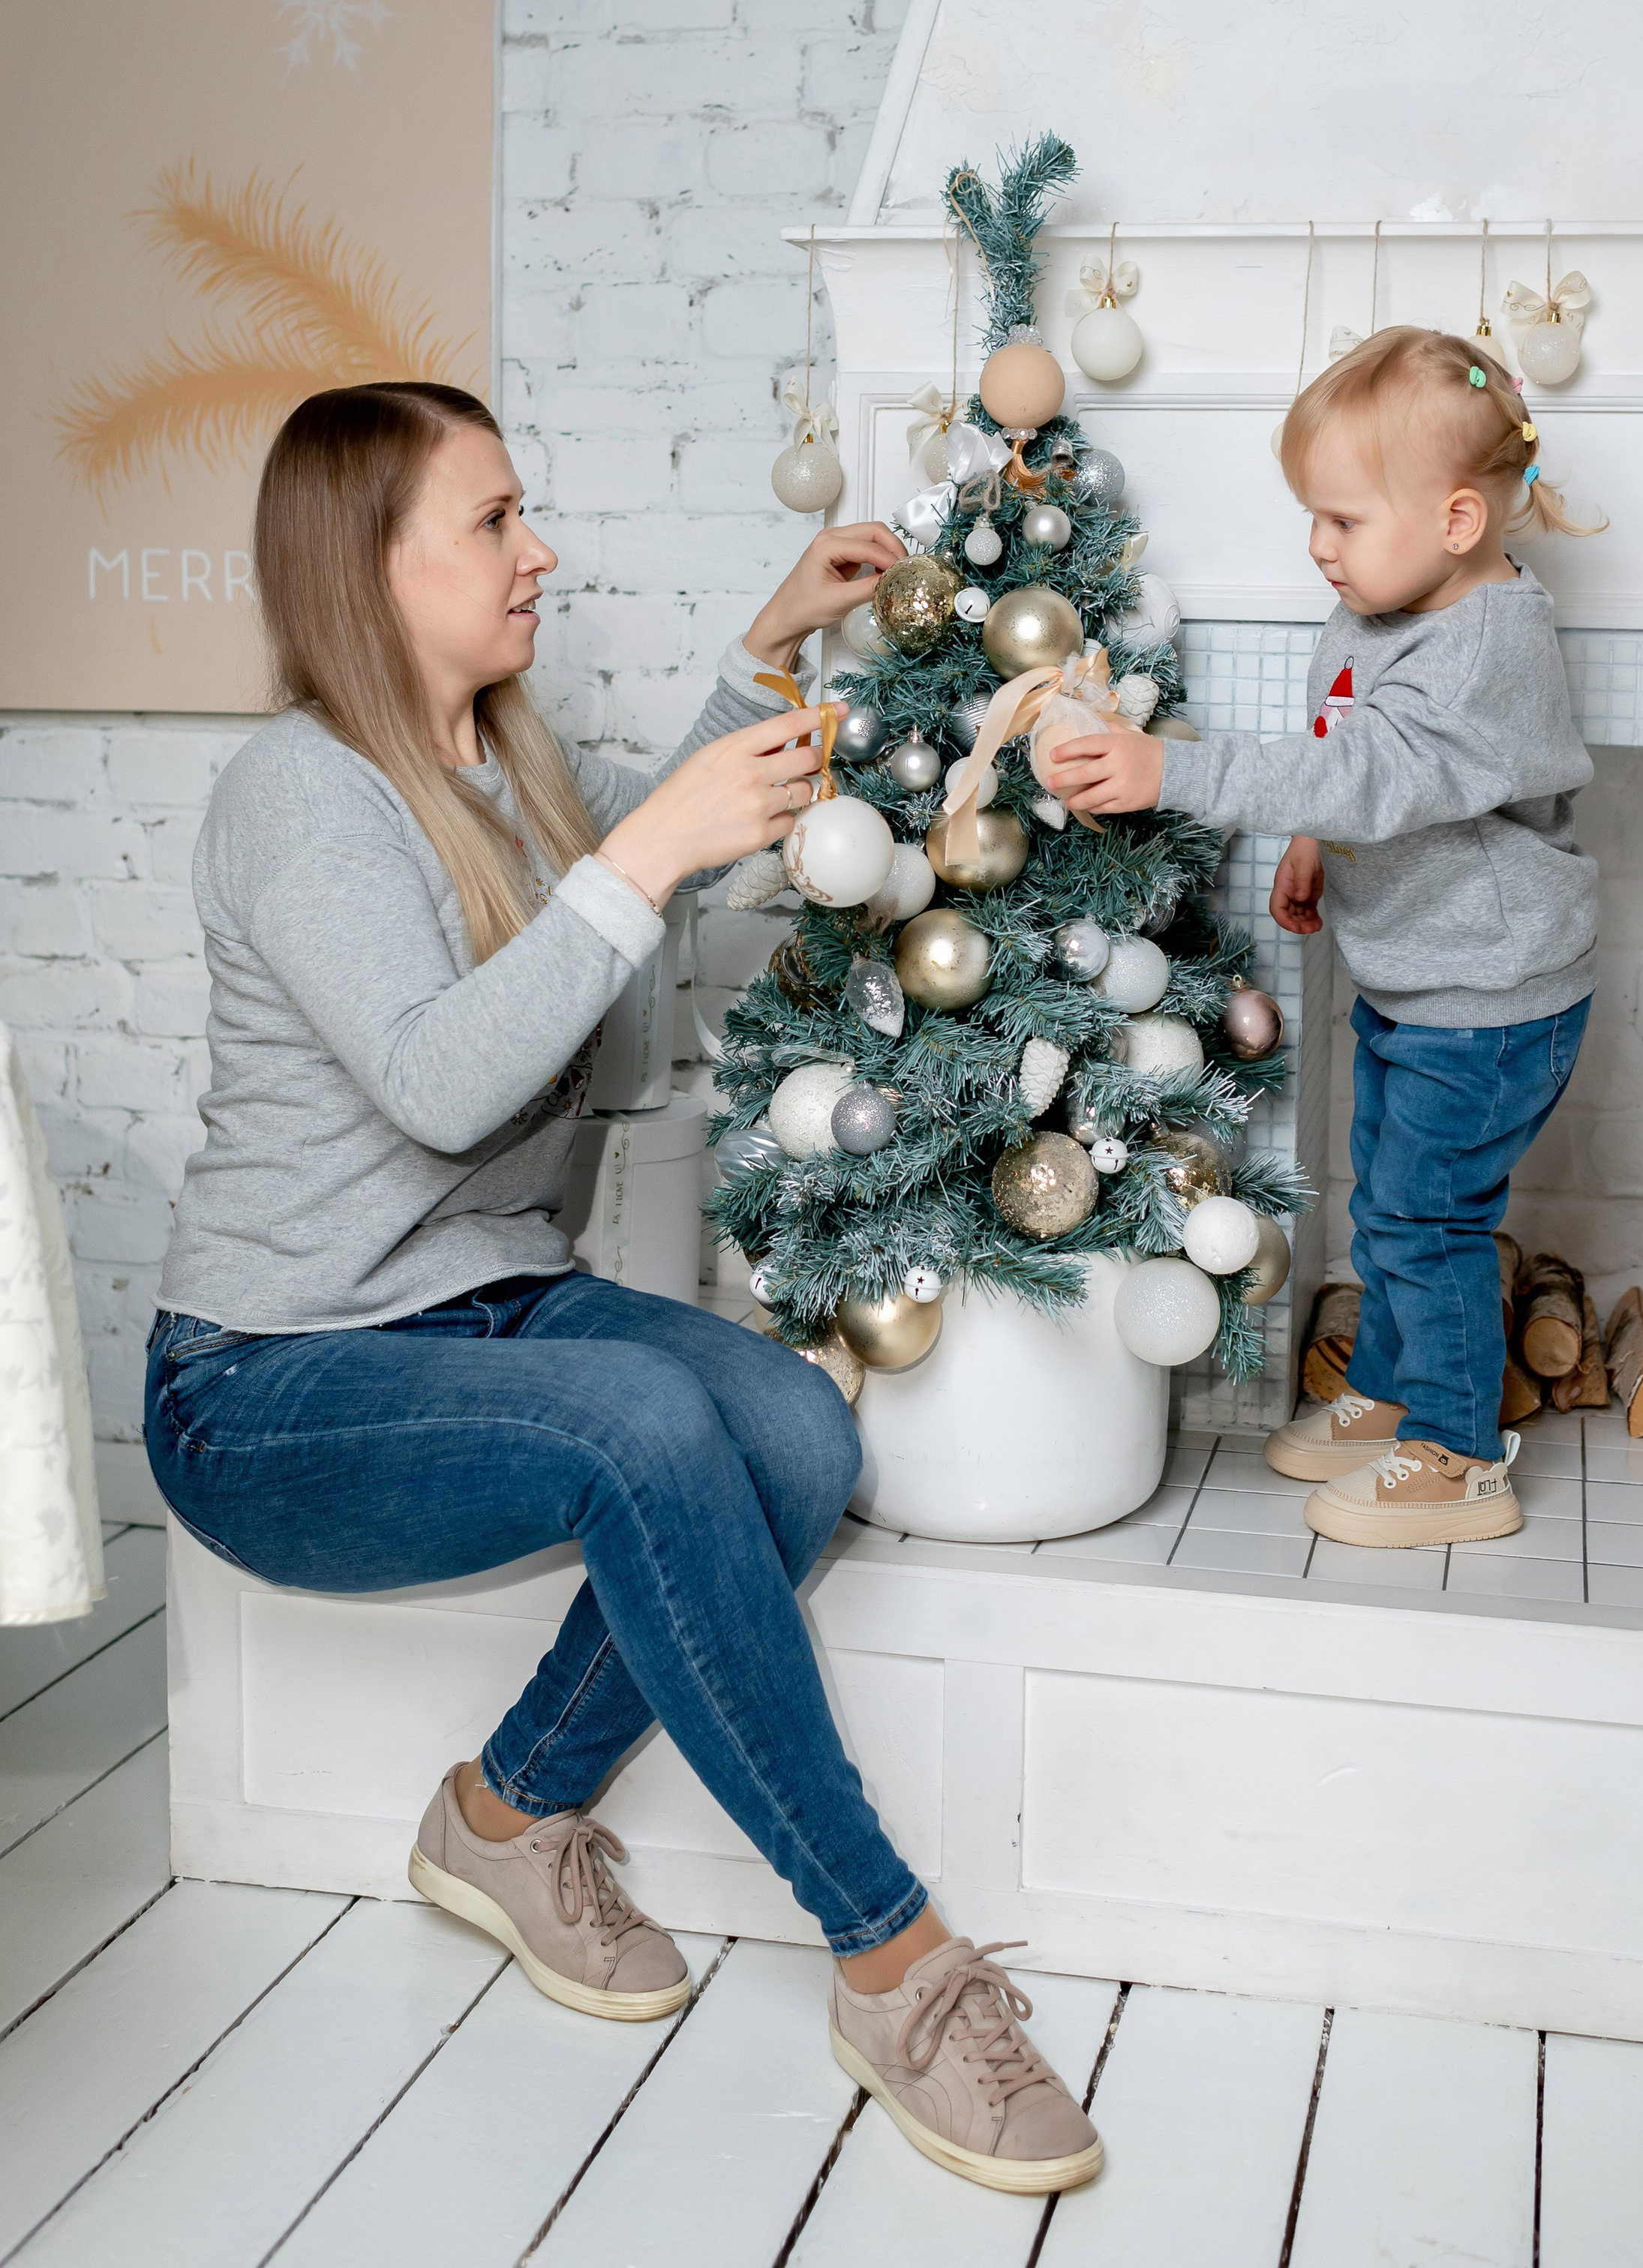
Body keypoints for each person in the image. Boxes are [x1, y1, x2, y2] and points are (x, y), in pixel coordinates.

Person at [144, 380, 1104, 2197]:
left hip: (481, 1310)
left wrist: (759, 669)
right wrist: (647, 851)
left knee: (794, 1428)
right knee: (651, 1426)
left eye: (527, 513)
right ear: (372, 563)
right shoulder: (297, 795)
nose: (542, 552)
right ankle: (891, 1961)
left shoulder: (495, 773)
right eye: (495, 521)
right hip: (264, 1383)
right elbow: (441, 1079)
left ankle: (504, 1815)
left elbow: (604, 1017)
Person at [1050, 326, 1600, 1551]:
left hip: (1495, 998)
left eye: (1344, 521)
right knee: (1391, 1202)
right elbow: (1362, 763)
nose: (1319, 547)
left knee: (1427, 1218)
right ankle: (1399, 1392)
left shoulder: (1488, 647)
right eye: (1314, 517)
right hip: (1420, 976)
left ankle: (1460, 1457)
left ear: (1459, 521)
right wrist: (1316, 842)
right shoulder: (1386, 607)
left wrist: (1173, 770)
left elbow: (1376, 767)